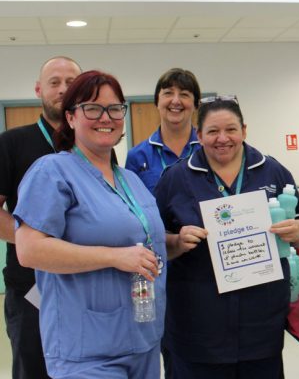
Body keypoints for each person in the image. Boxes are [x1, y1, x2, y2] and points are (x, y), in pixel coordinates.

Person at [13, 70, 166, 378]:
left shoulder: (130, 180)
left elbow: (140, 240)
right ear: (70, 117)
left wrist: (174, 242)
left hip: (143, 338)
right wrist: (114, 257)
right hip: (88, 350)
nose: (105, 117)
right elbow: (29, 251)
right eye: (92, 108)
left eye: (114, 108)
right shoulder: (53, 171)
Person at [154, 97, 299, 378]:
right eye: (212, 131)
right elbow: (153, 242)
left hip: (260, 324)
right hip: (198, 325)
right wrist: (176, 242)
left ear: (244, 131)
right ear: (199, 135)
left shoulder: (272, 170)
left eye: (231, 129)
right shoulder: (176, 178)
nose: (222, 139)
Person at [0, 56, 81, 379]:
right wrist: (39, 246)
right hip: (31, 289)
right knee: (34, 370)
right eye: (54, 82)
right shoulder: (12, 143)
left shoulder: (91, 146)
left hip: (83, 284)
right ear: (38, 90)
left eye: (71, 83)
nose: (63, 89)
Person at [126, 68, 201, 193]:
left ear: (195, 104)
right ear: (157, 101)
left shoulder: (209, 149)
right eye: (168, 93)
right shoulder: (137, 156)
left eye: (184, 94)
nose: (176, 101)